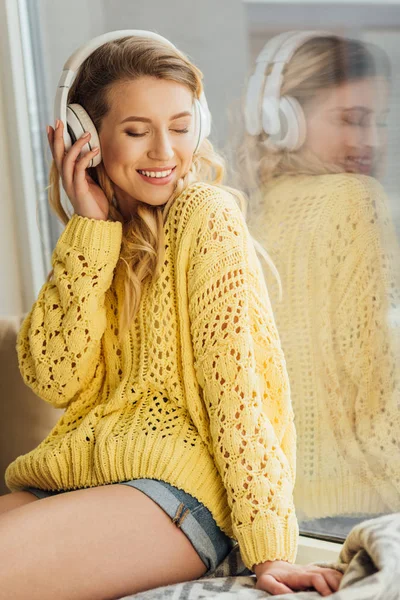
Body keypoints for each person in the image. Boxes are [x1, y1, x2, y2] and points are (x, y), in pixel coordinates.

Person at [0, 31, 342, 599]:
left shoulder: (206, 216)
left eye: (181, 128)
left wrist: (271, 549)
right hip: (73, 479)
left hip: (173, 493)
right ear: (86, 136)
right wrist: (91, 233)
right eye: (137, 132)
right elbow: (53, 377)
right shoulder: (94, 240)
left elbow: (240, 395)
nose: (164, 152)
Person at [242, 30, 400, 537]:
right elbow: (379, 392)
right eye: (350, 119)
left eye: (379, 121)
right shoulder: (354, 200)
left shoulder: (244, 208)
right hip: (363, 507)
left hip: (278, 514)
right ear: (283, 118)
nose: (371, 140)